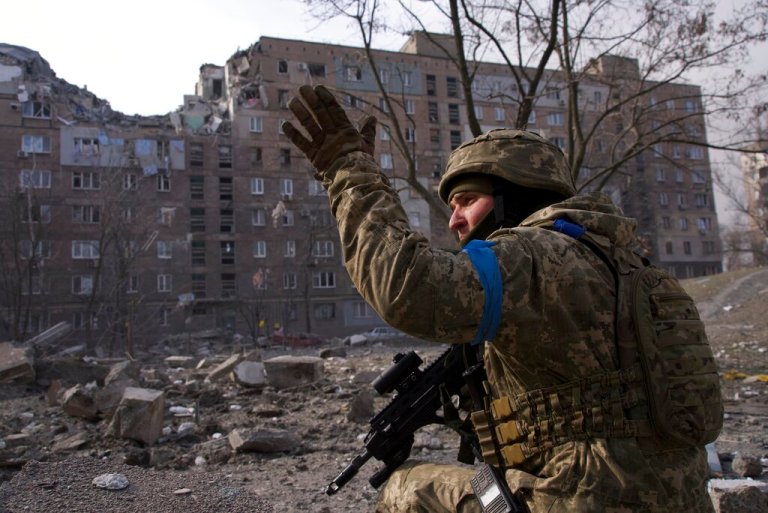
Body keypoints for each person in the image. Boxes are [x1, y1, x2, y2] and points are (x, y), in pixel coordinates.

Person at [282, 85, 718, 512]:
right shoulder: (629, 265)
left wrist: (349, 170)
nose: (454, 221)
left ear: (515, 198)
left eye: (467, 201)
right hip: (676, 496)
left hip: (578, 497)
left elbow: (407, 288)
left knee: (405, 488)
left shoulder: (530, 255)